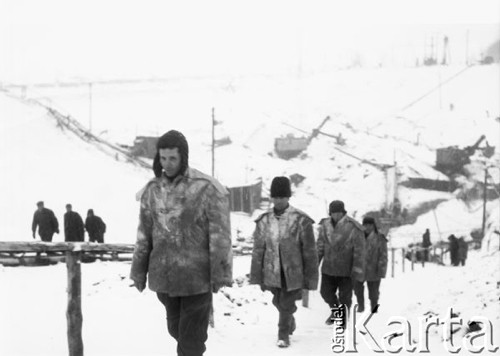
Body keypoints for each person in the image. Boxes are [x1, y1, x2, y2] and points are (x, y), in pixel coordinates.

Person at [130, 130, 232, 356]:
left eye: (173, 158)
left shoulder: (206, 188)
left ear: (183, 157)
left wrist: (220, 274)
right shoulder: (152, 190)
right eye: (163, 158)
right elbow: (144, 234)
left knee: (191, 342)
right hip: (164, 278)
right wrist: (138, 272)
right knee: (176, 331)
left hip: (197, 278)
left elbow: (220, 236)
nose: (167, 164)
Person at [250, 176, 318, 348]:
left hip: (293, 272)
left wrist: (310, 278)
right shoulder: (264, 220)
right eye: (276, 197)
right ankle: (290, 320)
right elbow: (258, 249)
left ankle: (283, 334)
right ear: (272, 197)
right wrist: (256, 275)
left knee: (286, 303)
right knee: (278, 302)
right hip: (272, 270)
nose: (279, 200)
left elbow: (310, 251)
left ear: (288, 197)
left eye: (282, 197)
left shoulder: (301, 220)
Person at [317, 200, 365, 328]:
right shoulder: (325, 225)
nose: (336, 216)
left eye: (338, 213)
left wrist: (357, 269)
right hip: (328, 268)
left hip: (346, 269)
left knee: (345, 297)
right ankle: (336, 312)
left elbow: (359, 251)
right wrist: (315, 263)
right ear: (330, 213)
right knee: (325, 293)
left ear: (343, 212)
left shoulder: (353, 227)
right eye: (333, 213)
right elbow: (320, 246)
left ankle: (342, 319)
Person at [353, 217, 388, 313]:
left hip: (374, 268)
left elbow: (383, 255)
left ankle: (374, 308)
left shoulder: (380, 238)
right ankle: (361, 306)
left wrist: (381, 270)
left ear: (373, 226)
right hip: (359, 268)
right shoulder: (357, 237)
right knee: (357, 289)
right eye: (365, 225)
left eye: (370, 225)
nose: (367, 227)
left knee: (374, 292)